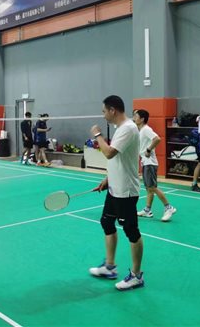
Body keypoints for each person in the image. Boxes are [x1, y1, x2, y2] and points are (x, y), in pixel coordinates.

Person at [89, 95, 144, 291]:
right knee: (106, 222)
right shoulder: (121, 128)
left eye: (104, 111)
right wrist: (108, 179)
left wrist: (97, 135)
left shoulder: (128, 128)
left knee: (131, 232)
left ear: (113, 110)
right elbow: (118, 159)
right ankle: (109, 267)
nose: (103, 115)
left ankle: (136, 276)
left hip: (125, 191)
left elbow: (109, 152)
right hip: (114, 189)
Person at [133, 109, 177, 222]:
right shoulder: (140, 130)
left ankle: (169, 207)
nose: (134, 118)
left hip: (150, 163)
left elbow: (157, 138)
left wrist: (148, 150)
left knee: (152, 187)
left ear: (142, 119)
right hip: (145, 162)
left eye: (136, 116)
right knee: (149, 188)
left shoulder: (146, 129)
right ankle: (147, 210)